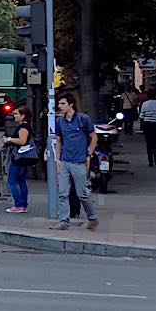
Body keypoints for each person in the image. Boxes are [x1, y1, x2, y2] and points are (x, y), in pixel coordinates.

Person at [51, 91, 99, 231]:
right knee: (62, 193)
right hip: (65, 161)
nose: (60, 106)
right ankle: (64, 222)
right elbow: (59, 141)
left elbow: (94, 137)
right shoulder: (60, 121)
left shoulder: (82, 119)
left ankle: (93, 218)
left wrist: (89, 155)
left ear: (71, 104)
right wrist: (58, 159)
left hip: (79, 162)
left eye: (63, 103)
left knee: (82, 194)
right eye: (59, 103)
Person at [2, 104, 33, 213]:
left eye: (16, 114)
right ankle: (23, 205)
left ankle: (19, 204)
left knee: (12, 181)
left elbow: (22, 141)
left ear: (23, 116)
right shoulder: (25, 126)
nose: (14, 116)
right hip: (23, 157)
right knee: (21, 181)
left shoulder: (23, 127)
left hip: (19, 158)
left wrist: (9, 139)